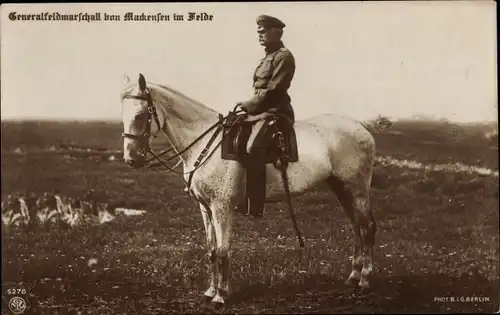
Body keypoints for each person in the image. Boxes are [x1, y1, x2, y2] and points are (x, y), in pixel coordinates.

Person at [235, 14, 296, 217]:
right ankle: (241, 196)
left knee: (254, 147)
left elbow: (273, 90)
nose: (260, 35)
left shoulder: (284, 57)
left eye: (263, 32)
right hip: (261, 111)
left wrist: (249, 104)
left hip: (276, 112)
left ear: (276, 32)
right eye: (259, 32)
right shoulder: (267, 58)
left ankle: (255, 206)